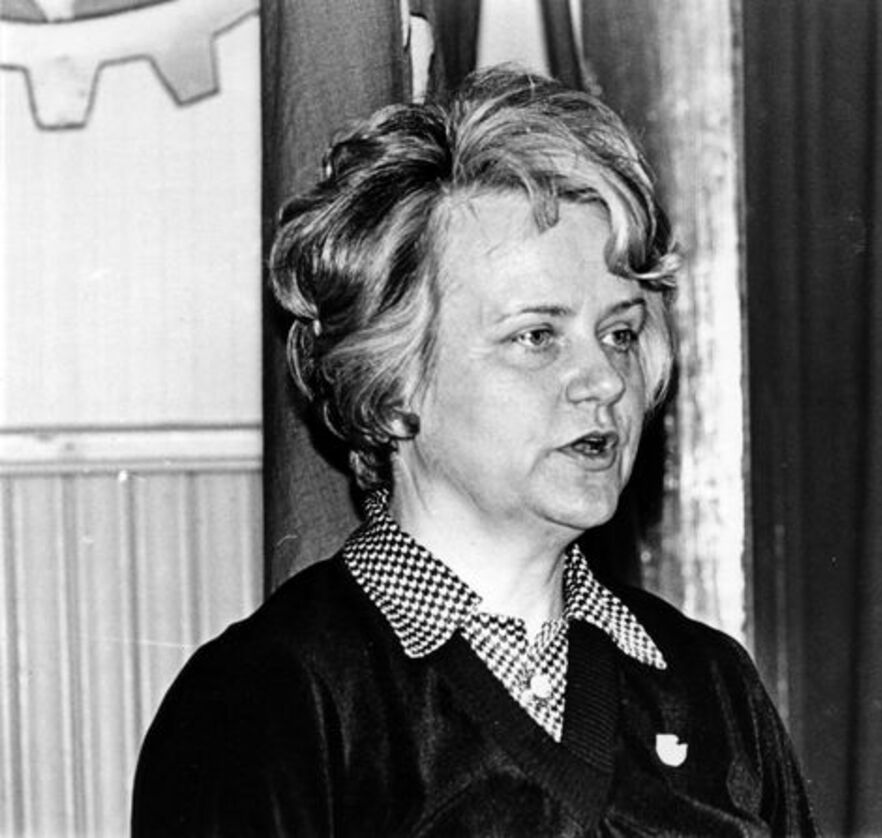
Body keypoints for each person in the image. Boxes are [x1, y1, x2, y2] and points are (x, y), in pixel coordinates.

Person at [132, 66, 818, 836]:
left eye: (620, 333)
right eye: (537, 336)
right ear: (391, 384)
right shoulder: (270, 700)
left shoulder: (709, 684)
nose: (604, 379)